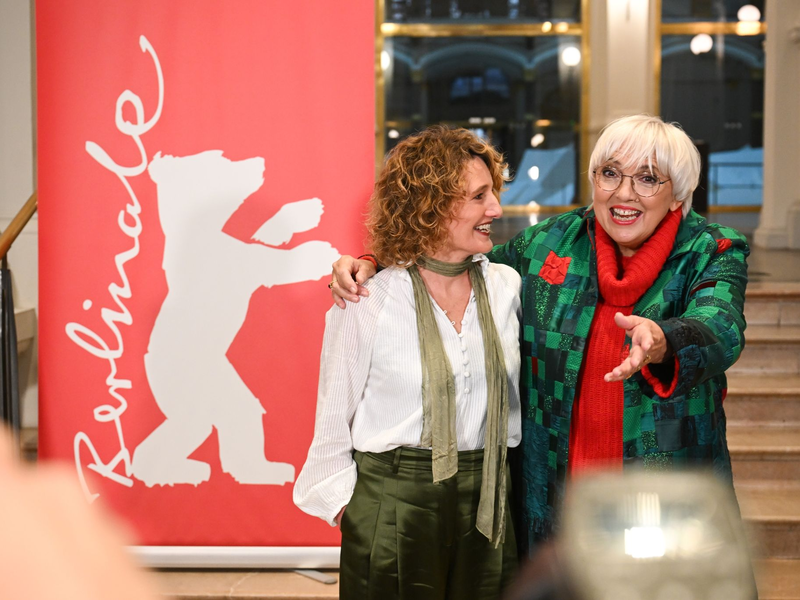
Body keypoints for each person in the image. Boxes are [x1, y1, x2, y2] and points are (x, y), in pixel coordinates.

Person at [330, 114, 749, 552]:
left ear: (678, 193)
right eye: (609, 174)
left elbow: (720, 323)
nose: (624, 194)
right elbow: (455, 260)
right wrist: (374, 266)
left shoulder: (711, 247)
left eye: (647, 179)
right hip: (554, 489)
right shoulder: (551, 242)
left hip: (663, 489)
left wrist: (666, 340)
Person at [293, 125, 523, 599]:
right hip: (394, 499)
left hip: (490, 498)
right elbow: (332, 420)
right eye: (478, 197)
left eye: (493, 194)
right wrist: (358, 512)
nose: (496, 210)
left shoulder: (507, 287)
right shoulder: (368, 298)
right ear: (431, 206)